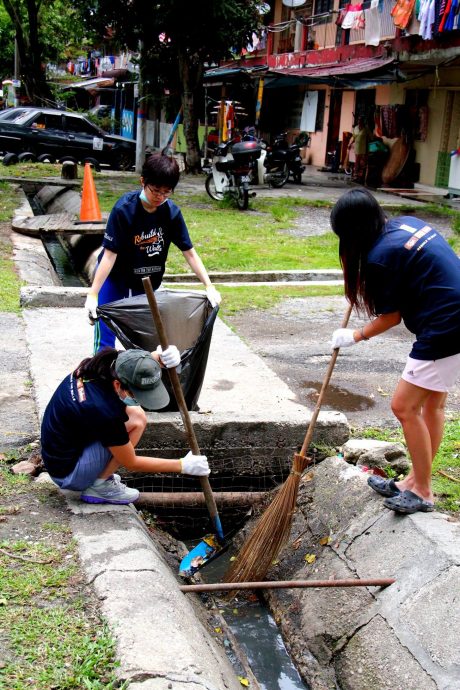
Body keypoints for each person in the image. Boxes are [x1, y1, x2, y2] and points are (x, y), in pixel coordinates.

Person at [330, 188, 460, 514]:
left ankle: (423, 492)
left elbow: (391, 316)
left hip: (446, 325)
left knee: (403, 406)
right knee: (432, 404)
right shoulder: (403, 225)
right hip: (453, 318)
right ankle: (413, 482)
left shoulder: (380, 257)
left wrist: (354, 336)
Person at [84, 151, 222, 353]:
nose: (160, 197)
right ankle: (100, 381)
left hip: (147, 287)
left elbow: (189, 252)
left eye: (166, 192)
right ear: (143, 182)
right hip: (115, 282)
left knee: (147, 344)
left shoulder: (171, 214)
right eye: (155, 190)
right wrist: (93, 294)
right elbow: (109, 255)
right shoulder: (124, 210)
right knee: (104, 343)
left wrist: (209, 286)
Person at [41, 347, 210, 505]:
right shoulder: (104, 412)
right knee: (137, 420)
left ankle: (99, 477)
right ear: (117, 385)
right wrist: (183, 466)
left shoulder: (100, 365)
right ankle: (100, 487)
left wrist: (157, 358)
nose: (137, 399)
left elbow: (131, 362)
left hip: (61, 453)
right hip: (68, 474)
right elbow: (131, 462)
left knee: (135, 414)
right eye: (134, 394)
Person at [348, 116, 373, 185]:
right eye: (358, 120)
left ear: (363, 121)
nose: (359, 122)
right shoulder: (355, 128)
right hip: (357, 148)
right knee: (357, 163)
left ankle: (361, 177)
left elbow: (371, 137)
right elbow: (353, 137)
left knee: (362, 163)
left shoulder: (366, 129)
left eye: (360, 120)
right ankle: (356, 176)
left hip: (364, 149)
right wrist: (350, 144)